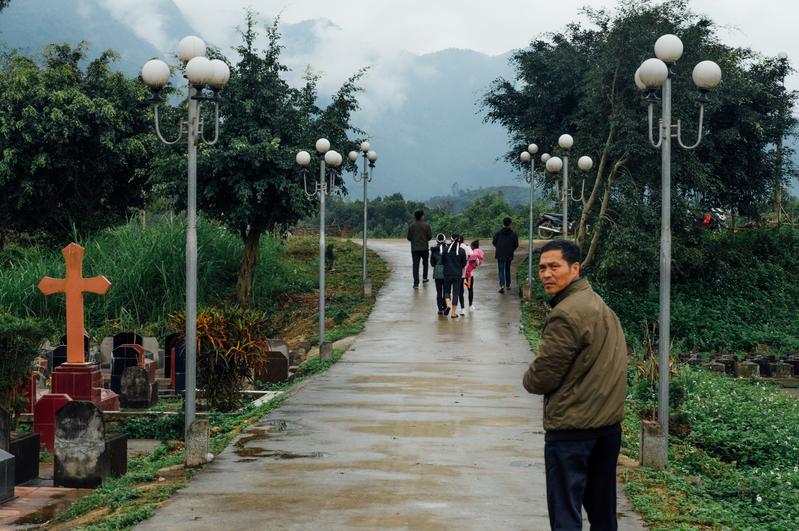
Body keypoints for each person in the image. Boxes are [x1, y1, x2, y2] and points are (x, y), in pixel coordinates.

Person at [522, 240, 627, 531]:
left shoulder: (567, 314)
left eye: (554, 266)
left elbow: (542, 377)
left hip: (572, 432)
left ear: (575, 267)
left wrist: (528, 377)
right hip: (606, 429)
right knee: (603, 513)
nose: (546, 274)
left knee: (566, 515)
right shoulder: (598, 304)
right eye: (542, 267)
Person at [442, 232, 467, 318]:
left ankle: (448, 305)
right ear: (459, 240)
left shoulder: (445, 249)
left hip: (447, 274)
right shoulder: (462, 251)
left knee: (447, 291)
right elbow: (464, 264)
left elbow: (442, 262)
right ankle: (453, 313)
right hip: (457, 275)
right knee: (456, 293)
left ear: (451, 239)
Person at [407, 209, 433, 288]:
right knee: (425, 263)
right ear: (421, 216)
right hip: (424, 248)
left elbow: (409, 237)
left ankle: (416, 283)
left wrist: (414, 241)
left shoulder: (411, 226)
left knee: (415, 265)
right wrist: (424, 240)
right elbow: (430, 237)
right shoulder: (427, 225)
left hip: (415, 249)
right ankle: (424, 278)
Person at [492, 216, 519, 293]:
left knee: (501, 270)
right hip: (509, 254)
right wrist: (511, 250)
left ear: (503, 224)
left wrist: (499, 248)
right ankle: (508, 285)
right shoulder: (513, 234)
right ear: (510, 224)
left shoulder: (498, 233)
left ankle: (502, 286)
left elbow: (494, 242)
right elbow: (516, 244)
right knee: (507, 269)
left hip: (500, 253)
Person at [429, 233, 448, 314]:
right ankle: (445, 307)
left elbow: (432, 263)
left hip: (437, 273)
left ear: (436, 240)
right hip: (446, 272)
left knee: (439, 292)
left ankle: (439, 309)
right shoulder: (448, 249)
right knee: (446, 291)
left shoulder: (433, 251)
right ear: (445, 240)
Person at [464, 240, 484, 310]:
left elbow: (473, 256)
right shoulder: (479, 250)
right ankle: (470, 305)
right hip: (474, 266)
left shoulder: (474, 251)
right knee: (470, 289)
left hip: (470, 266)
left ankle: (468, 283)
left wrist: (469, 258)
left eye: (471, 246)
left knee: (468, 272)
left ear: (473, 246)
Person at [456, 235, 473, 316]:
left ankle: (462, 309)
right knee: (470, 288)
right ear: (463, 240)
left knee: (460, 291)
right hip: (469, 272)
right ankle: (470, 305)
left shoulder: (456, 248)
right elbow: (473, 257)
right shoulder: (467, 247)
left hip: (459, 272)